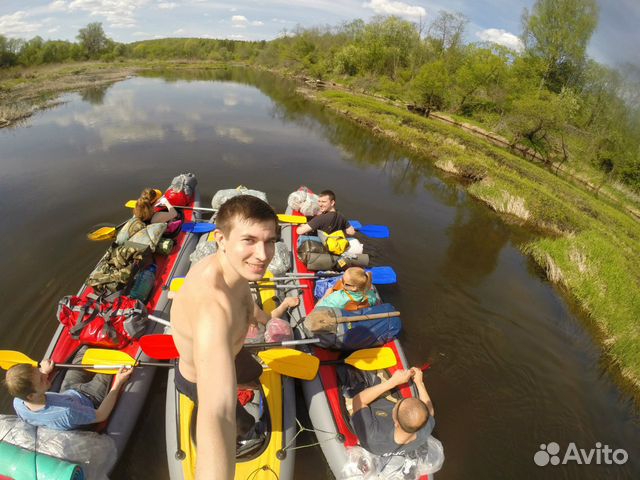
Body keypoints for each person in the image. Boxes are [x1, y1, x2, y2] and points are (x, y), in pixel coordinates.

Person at [170, 195, 299, 480]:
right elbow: (218, 414)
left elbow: (244, 301)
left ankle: (246, 384)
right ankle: (247, 434)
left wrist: (264, 317)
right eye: (249, 240)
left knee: (254, 374)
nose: (264, 255)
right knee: (240, 420)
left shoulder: (233, 269)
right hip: (197, 378)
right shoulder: (212, 311)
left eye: (270, 241)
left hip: (234, 352)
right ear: (221, 238)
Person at [3, 347, 132, 431]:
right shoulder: (66, 411)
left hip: (67, 392)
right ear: (31, 396)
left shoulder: (18, 402)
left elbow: (40, 385)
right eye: (41, 379)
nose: (44, 375)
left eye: (39, 373)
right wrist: (118, 383)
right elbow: (101, 415)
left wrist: (43, 371)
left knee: (85, 351)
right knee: (110, 361)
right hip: (91, 399)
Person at [350, 367, 435, 456]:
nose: (399, 401)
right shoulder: (424, 430)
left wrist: (392, 382)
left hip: (365, 423)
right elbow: (430, 412)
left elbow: (358, 400)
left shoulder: (373, 435)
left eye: (398, 405)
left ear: (396, 422)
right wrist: (419, 383)